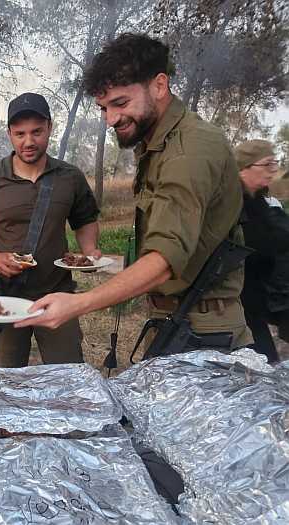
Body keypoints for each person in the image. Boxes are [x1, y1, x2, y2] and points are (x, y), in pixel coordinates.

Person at [16, 33, 252, 352]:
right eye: (103, 108)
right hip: (177, 321)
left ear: (159, 85)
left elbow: (165, 259)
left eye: (120, 103)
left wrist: (78, 304)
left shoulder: (189, 150)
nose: (111, 119)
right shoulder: (156, 142)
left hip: (204, 334)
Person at [0, 92, 101, 367]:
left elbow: (85, 218)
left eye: (37, 132)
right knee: (9, 379)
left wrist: (90, 251)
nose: (29, 141)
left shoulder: (69, 177)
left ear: (49, 128)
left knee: (67, 373)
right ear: (9, 134)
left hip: (57, 294)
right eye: (20, 133)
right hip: (8, 295)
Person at [234, 139, 289, 362]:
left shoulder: (258, 199)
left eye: (274, 164)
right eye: (266, 165)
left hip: (259, 298)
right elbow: (259, 243)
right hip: (237, 303)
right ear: (244, 168)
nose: (272, 172)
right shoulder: (231, 203)